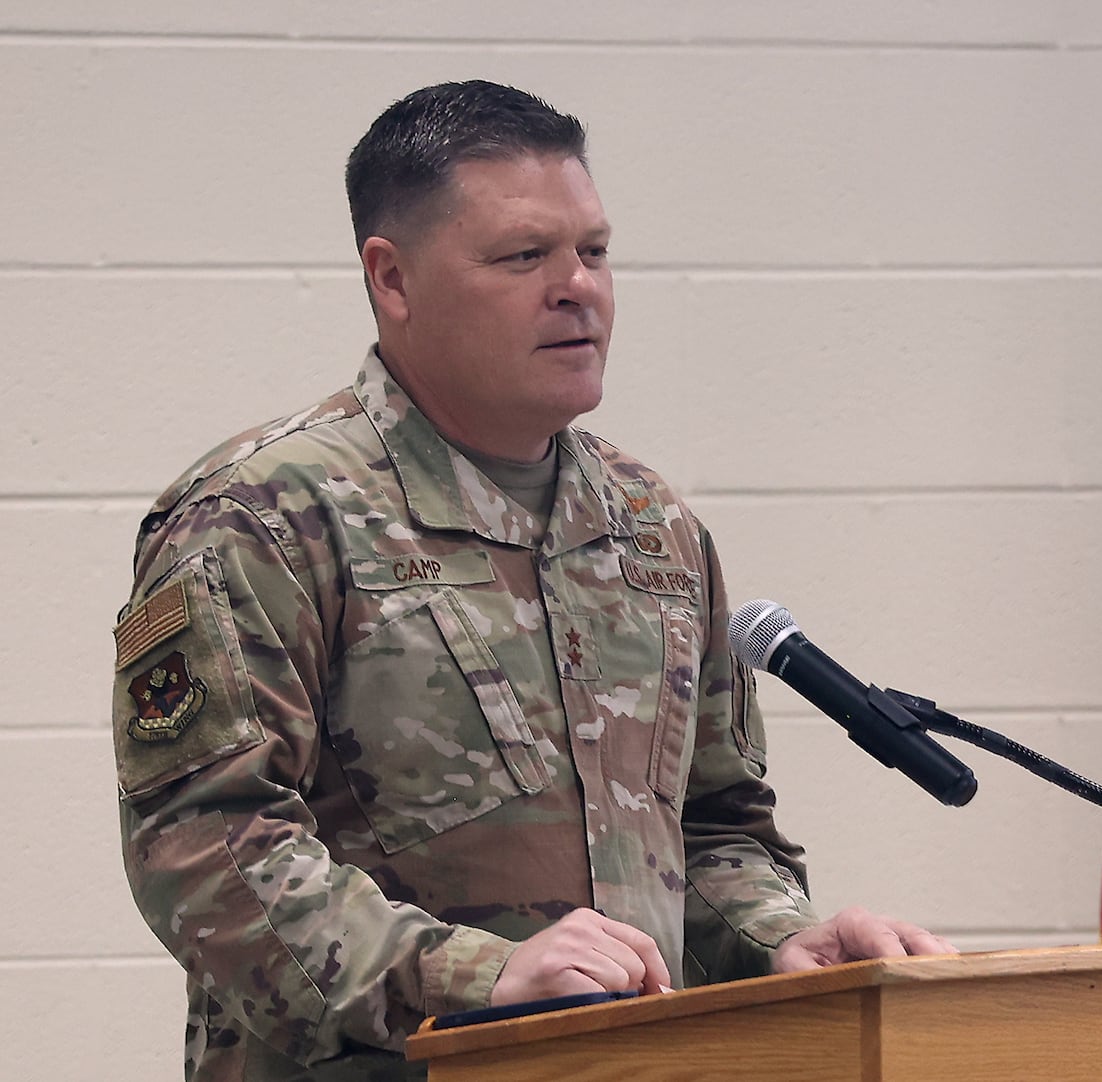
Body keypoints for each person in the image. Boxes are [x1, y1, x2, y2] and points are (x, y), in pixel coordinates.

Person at [111, 80, 952, 1081]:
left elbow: (715, 828)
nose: (579, 287)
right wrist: (477, 975)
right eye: (523, 256)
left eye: (593, 251)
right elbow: (206, 848)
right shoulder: (264, 515)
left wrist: (780, 941)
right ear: (393, 278)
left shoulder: (651, 525)